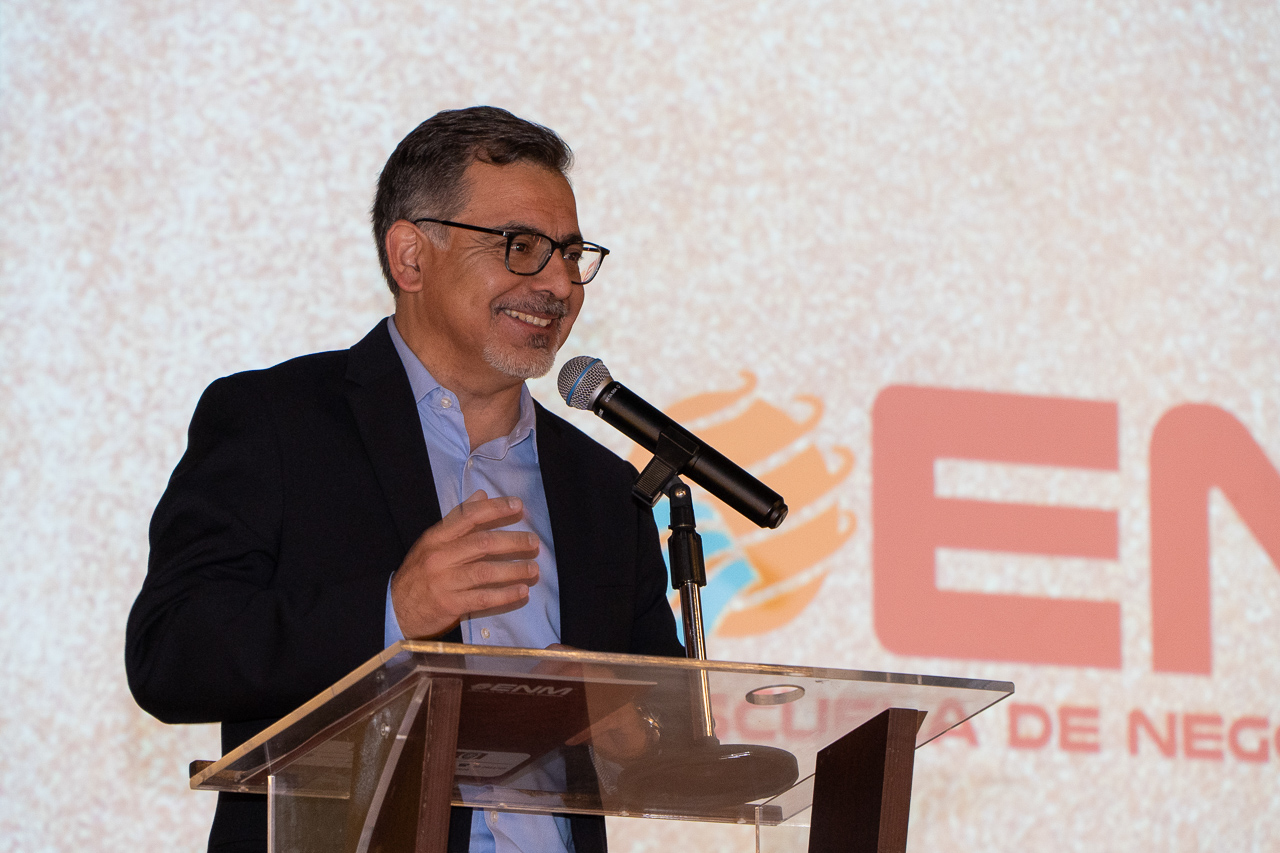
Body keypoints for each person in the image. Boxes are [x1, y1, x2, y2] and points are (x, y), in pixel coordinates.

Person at [125, 106, 683, 853]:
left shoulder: (603, 488)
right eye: (521, 247)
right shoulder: (276, 423)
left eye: (572, 253)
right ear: (411, 257)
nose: (559, 282)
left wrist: (634, 730)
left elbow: (663, 724)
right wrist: (394, 610)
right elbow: (171, 654)